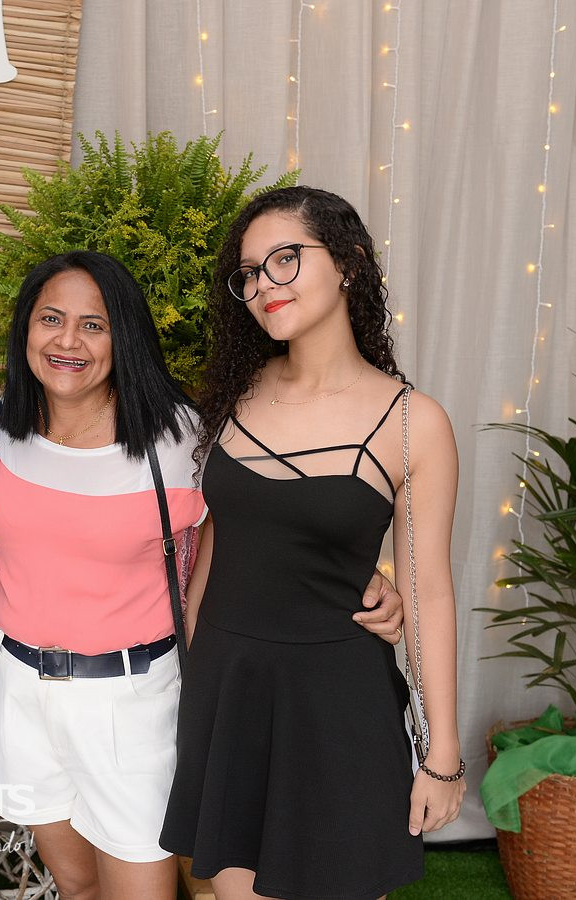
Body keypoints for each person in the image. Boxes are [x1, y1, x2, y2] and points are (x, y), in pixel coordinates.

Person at [0, 250, 407, 900]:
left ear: (124, 337)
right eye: (51, 319)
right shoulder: (1, 425)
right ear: (25, 329)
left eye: (93, 325)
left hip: (126, 701)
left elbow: (267, 515)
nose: (67, 341)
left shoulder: (178, 439)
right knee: (75, 885)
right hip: (17, 689)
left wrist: (360, 574)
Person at [160, 186, 465, 899]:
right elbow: (219, 539)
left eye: (285, 259)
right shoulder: (230, 394)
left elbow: (428, 593)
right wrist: (193, 682)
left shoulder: (412, 423)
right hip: (228, 694)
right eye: (249, 272)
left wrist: (442, 754)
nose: (264, 284)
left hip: (339, 704)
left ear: (349, 263)